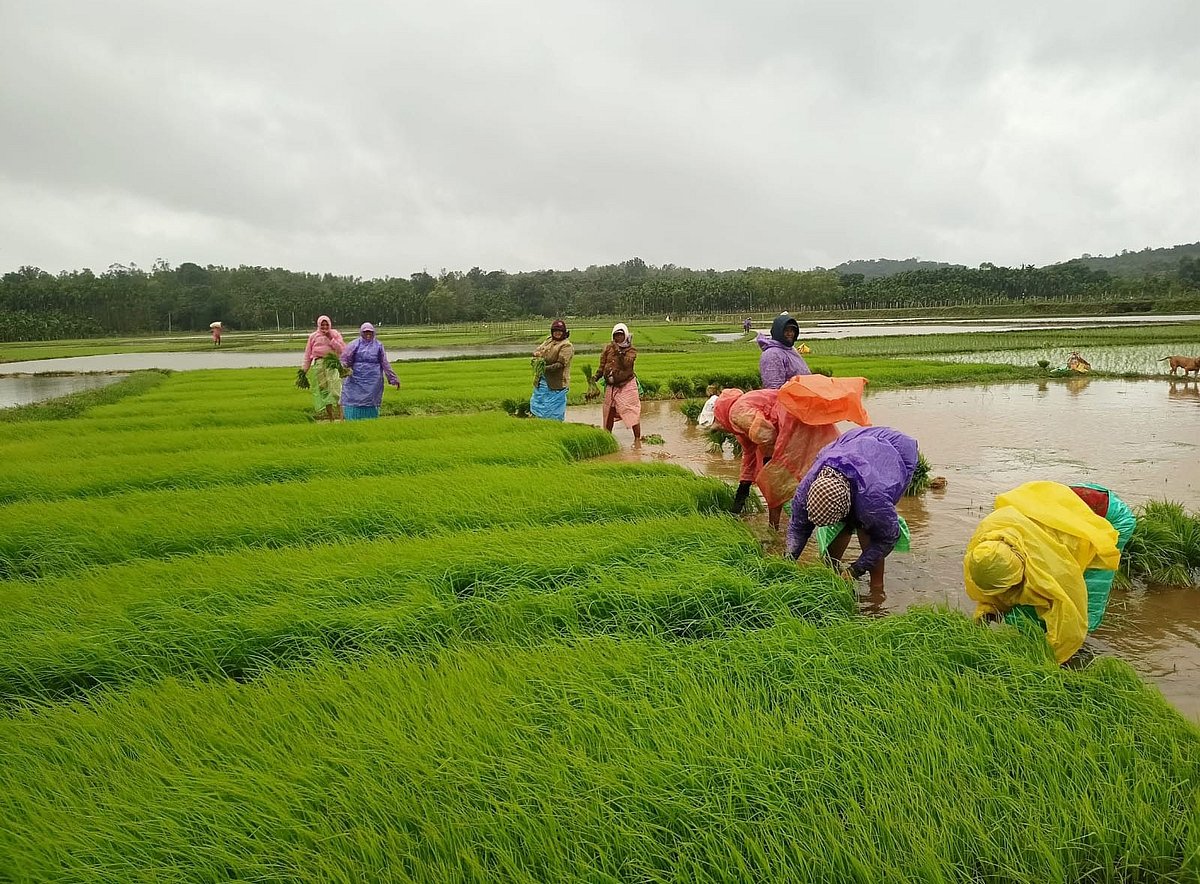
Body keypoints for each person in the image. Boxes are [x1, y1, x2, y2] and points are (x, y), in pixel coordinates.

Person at [963, 481, 1133, 664]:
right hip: (1061, 501)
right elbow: (995, 585)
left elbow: (1069, 612)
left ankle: (1075, 654)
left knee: (1088, 600)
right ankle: (1031, 635)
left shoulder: (1051, 567)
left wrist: (1053, 659)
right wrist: (986, 612)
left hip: (1108, 516)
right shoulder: (984, 547)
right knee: (1030, 601)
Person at [715, 375, 870, 530]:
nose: (719, 427)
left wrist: (770, 462)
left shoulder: (736, 412)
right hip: (802, 420)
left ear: (720, 414)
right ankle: (845, 513)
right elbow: (749, 457)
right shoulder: (741, 415)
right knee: (827, 467)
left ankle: (778, 529)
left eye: (717, 423)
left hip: (793, 427)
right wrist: (743, 489)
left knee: (780, 482)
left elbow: (765, 433)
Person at [786, 427, 919, 592]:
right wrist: (788, 560)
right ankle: (831, 569)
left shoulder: (874, 498)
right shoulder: (807, 489)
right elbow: (798, 526)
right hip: (852, 442)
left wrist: (856, 570)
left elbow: (886, 538)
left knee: (868, 529)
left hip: (898, 450)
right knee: (844, 524)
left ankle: (877, 589)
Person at [339, 322, 400, 420]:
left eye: (370, 332)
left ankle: (370, 420)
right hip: (356, 379)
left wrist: (393, 378)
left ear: (373, 333)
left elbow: (385, 363)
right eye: (365, 332)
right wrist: (342, 368)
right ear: (361, 332)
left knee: (371, 401)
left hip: (373, 380)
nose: (368, 334)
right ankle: (352, 419)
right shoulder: (354, 344)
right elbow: (345, 360)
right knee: (354, 399)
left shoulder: (378, 346)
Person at [594, 323, 641, 446]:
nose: (618, 338)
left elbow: (627, 364)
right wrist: (596, 376)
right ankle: (607, 436)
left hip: (626, 384)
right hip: (611, 385)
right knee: (609, 411)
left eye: (621, 335)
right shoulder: (608, 348)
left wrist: (619, 352)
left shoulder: (631, 350)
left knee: (631, 410)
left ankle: (637, 439)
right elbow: (602, 365)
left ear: (625, 335)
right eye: (616, 335)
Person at [301, 315, 346, 421]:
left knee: (336, 391)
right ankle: (331, 418)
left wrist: (331, 338)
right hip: (319, 366)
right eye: (322, 324)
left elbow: (342, 350)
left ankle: (342, 418)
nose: (325, 327)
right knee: (325, 392)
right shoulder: (313, 336)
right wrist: (303, 372)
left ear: (330, 324)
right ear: (319, 325)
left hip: (332, 365)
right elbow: (308, 356)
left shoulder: (335, 334)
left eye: (326, 324)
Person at [529, 320, 574, 421]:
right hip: (542, 381)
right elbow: (538, 351)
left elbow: (560, 364)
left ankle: (554, 427)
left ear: (564, 332)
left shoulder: (566, 345)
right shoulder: (549, 340)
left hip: (556, 383)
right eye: (555, 331)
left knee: (553, 411)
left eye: (560, 331)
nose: (557, 333)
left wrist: (543, 368)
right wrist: (536, 358)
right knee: (538, 405)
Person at [757, 313, 811, 389]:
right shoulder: (772, 354)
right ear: (778, 332)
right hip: (788, 399)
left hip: (800, 397)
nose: (790, 334)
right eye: (786, 330)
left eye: (792, 331)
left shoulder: (790, 349)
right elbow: (774, 388)